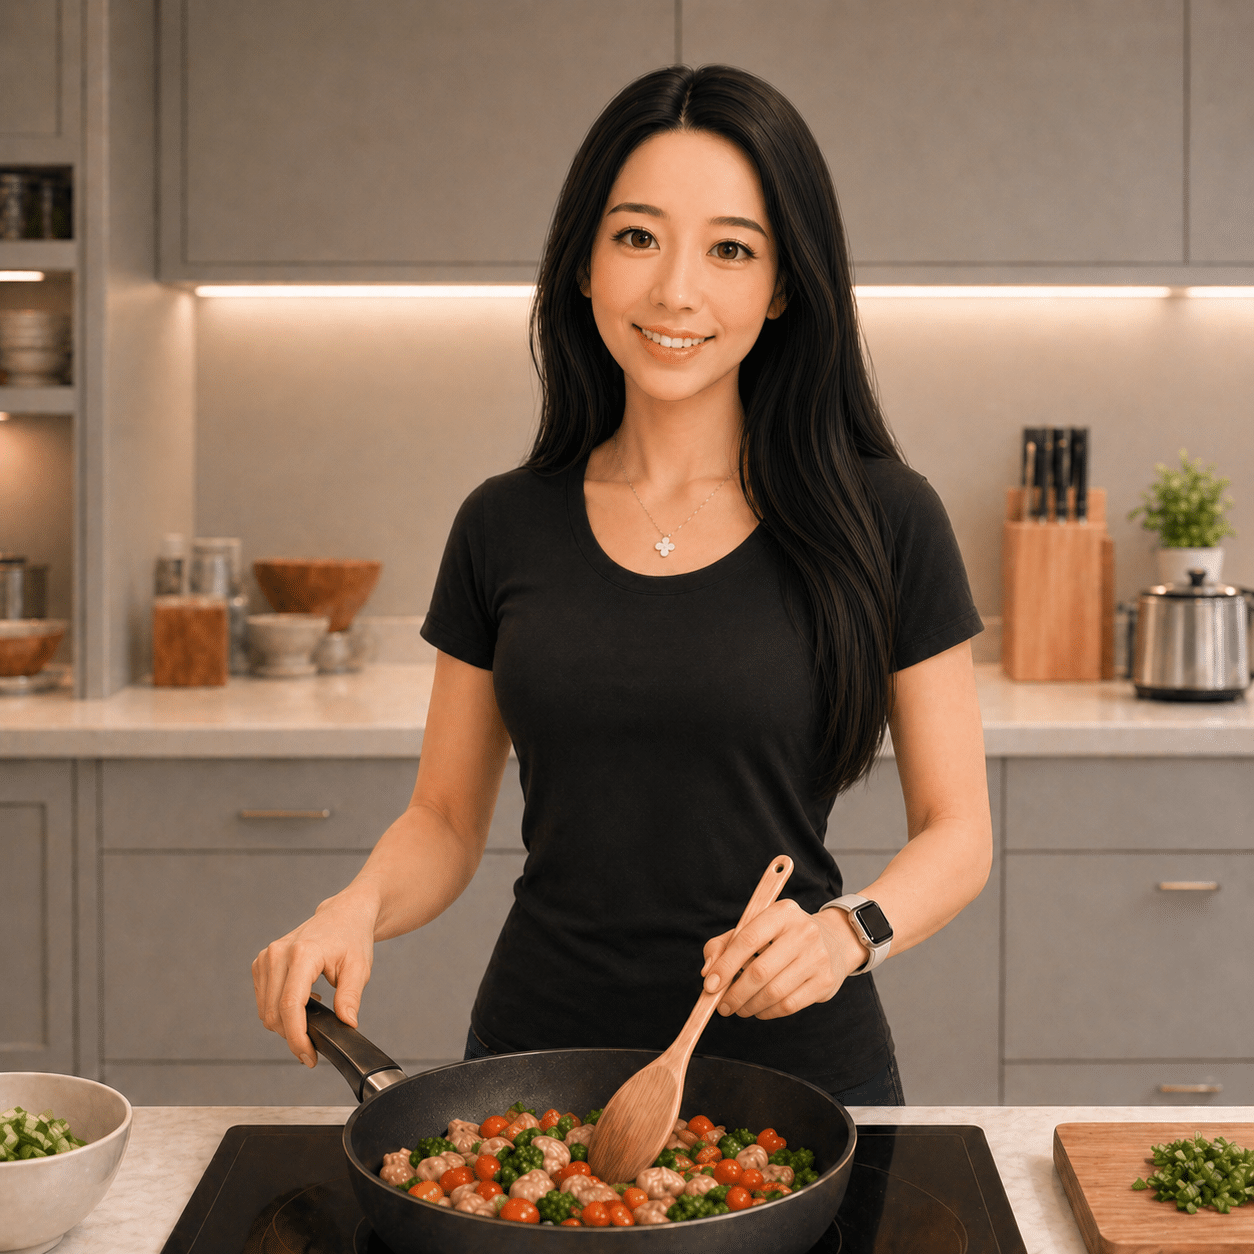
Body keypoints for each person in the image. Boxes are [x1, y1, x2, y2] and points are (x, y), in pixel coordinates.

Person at [253, 64, 991, 1106]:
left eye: (731, 249)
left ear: (782, 287)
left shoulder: (883, 518)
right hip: (532, 1072)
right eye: (638, 236)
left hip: (800, 1083)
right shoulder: (502, 524)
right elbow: (447, 819)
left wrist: (846, 935)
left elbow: (960, 832)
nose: (675, 290)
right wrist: (354, 906)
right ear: (586, 265)